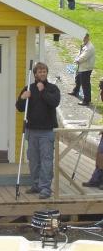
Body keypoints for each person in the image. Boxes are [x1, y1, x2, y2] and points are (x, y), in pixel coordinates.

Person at [16, 62, 60, 199]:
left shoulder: (52, 88)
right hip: (32, 130)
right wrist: (22, 98)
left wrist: (43, 91)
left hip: (47, 131)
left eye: (44, 71)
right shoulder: (28, 88)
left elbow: (54, 102)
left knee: (46, 160)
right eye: (40, 72)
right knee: (33, 160)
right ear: (35, 74)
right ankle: (36, 184)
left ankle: (45, 188)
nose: (42, 74)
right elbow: (20, 107)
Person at [68, 33, 95, 106]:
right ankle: (75, 91)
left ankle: (86, 101)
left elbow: (83, 57)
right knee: (78, 80)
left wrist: (77, 60)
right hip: (81, 67)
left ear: (88, 38)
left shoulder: (90, 47)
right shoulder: (84, 44)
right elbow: (79, 53)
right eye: (83, 38)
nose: (83, 39)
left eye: (85, 38)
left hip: (86, 68)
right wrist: (77, 59)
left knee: (85, 84)